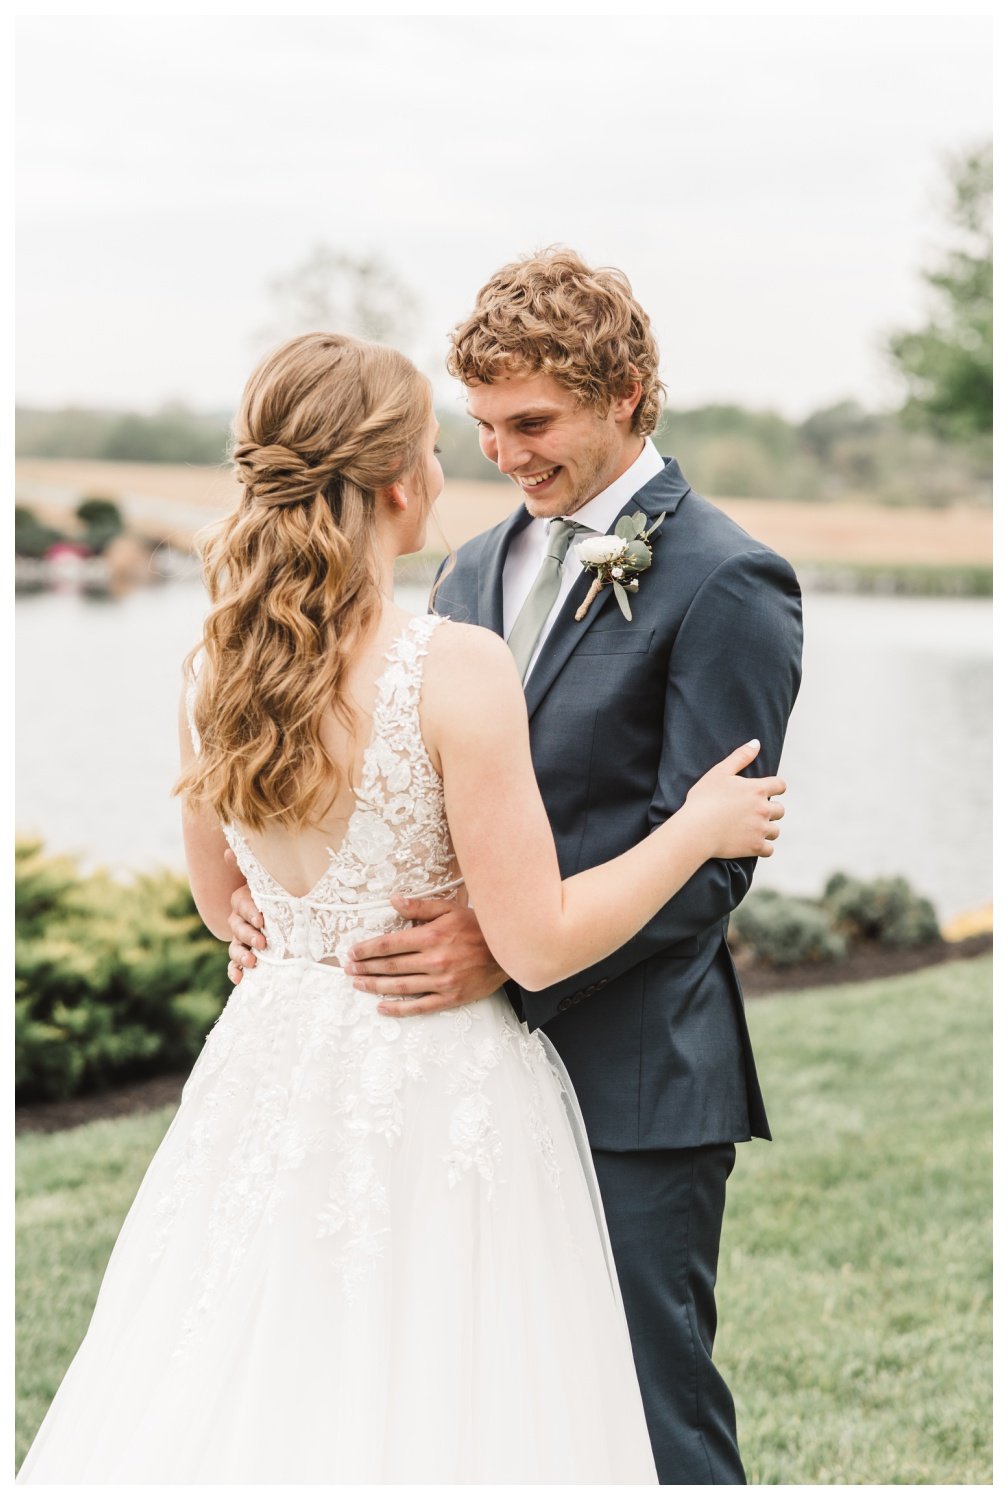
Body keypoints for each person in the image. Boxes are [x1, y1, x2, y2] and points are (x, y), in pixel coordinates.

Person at [18, 331, 786, 1485]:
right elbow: (534, 937)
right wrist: (699, 828)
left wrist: (278, 934)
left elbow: (225, 897)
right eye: (442, 443)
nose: (466, 462)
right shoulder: (455, 659)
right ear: (393, 482)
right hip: (438, 1081)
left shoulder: (210, 665)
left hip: (273, 1073)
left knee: (271, 1375)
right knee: (463, 1393)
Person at [229, 251, 804, 1483]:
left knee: (649, 1415)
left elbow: (714, 860)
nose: (506, 453)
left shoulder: (728, 578)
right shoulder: (473, 565)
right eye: (483, 426)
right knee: (485, 1410)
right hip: (446, 1081)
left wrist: (503, 943)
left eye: (533, 422)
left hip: (630, 1074)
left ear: (631, 393)